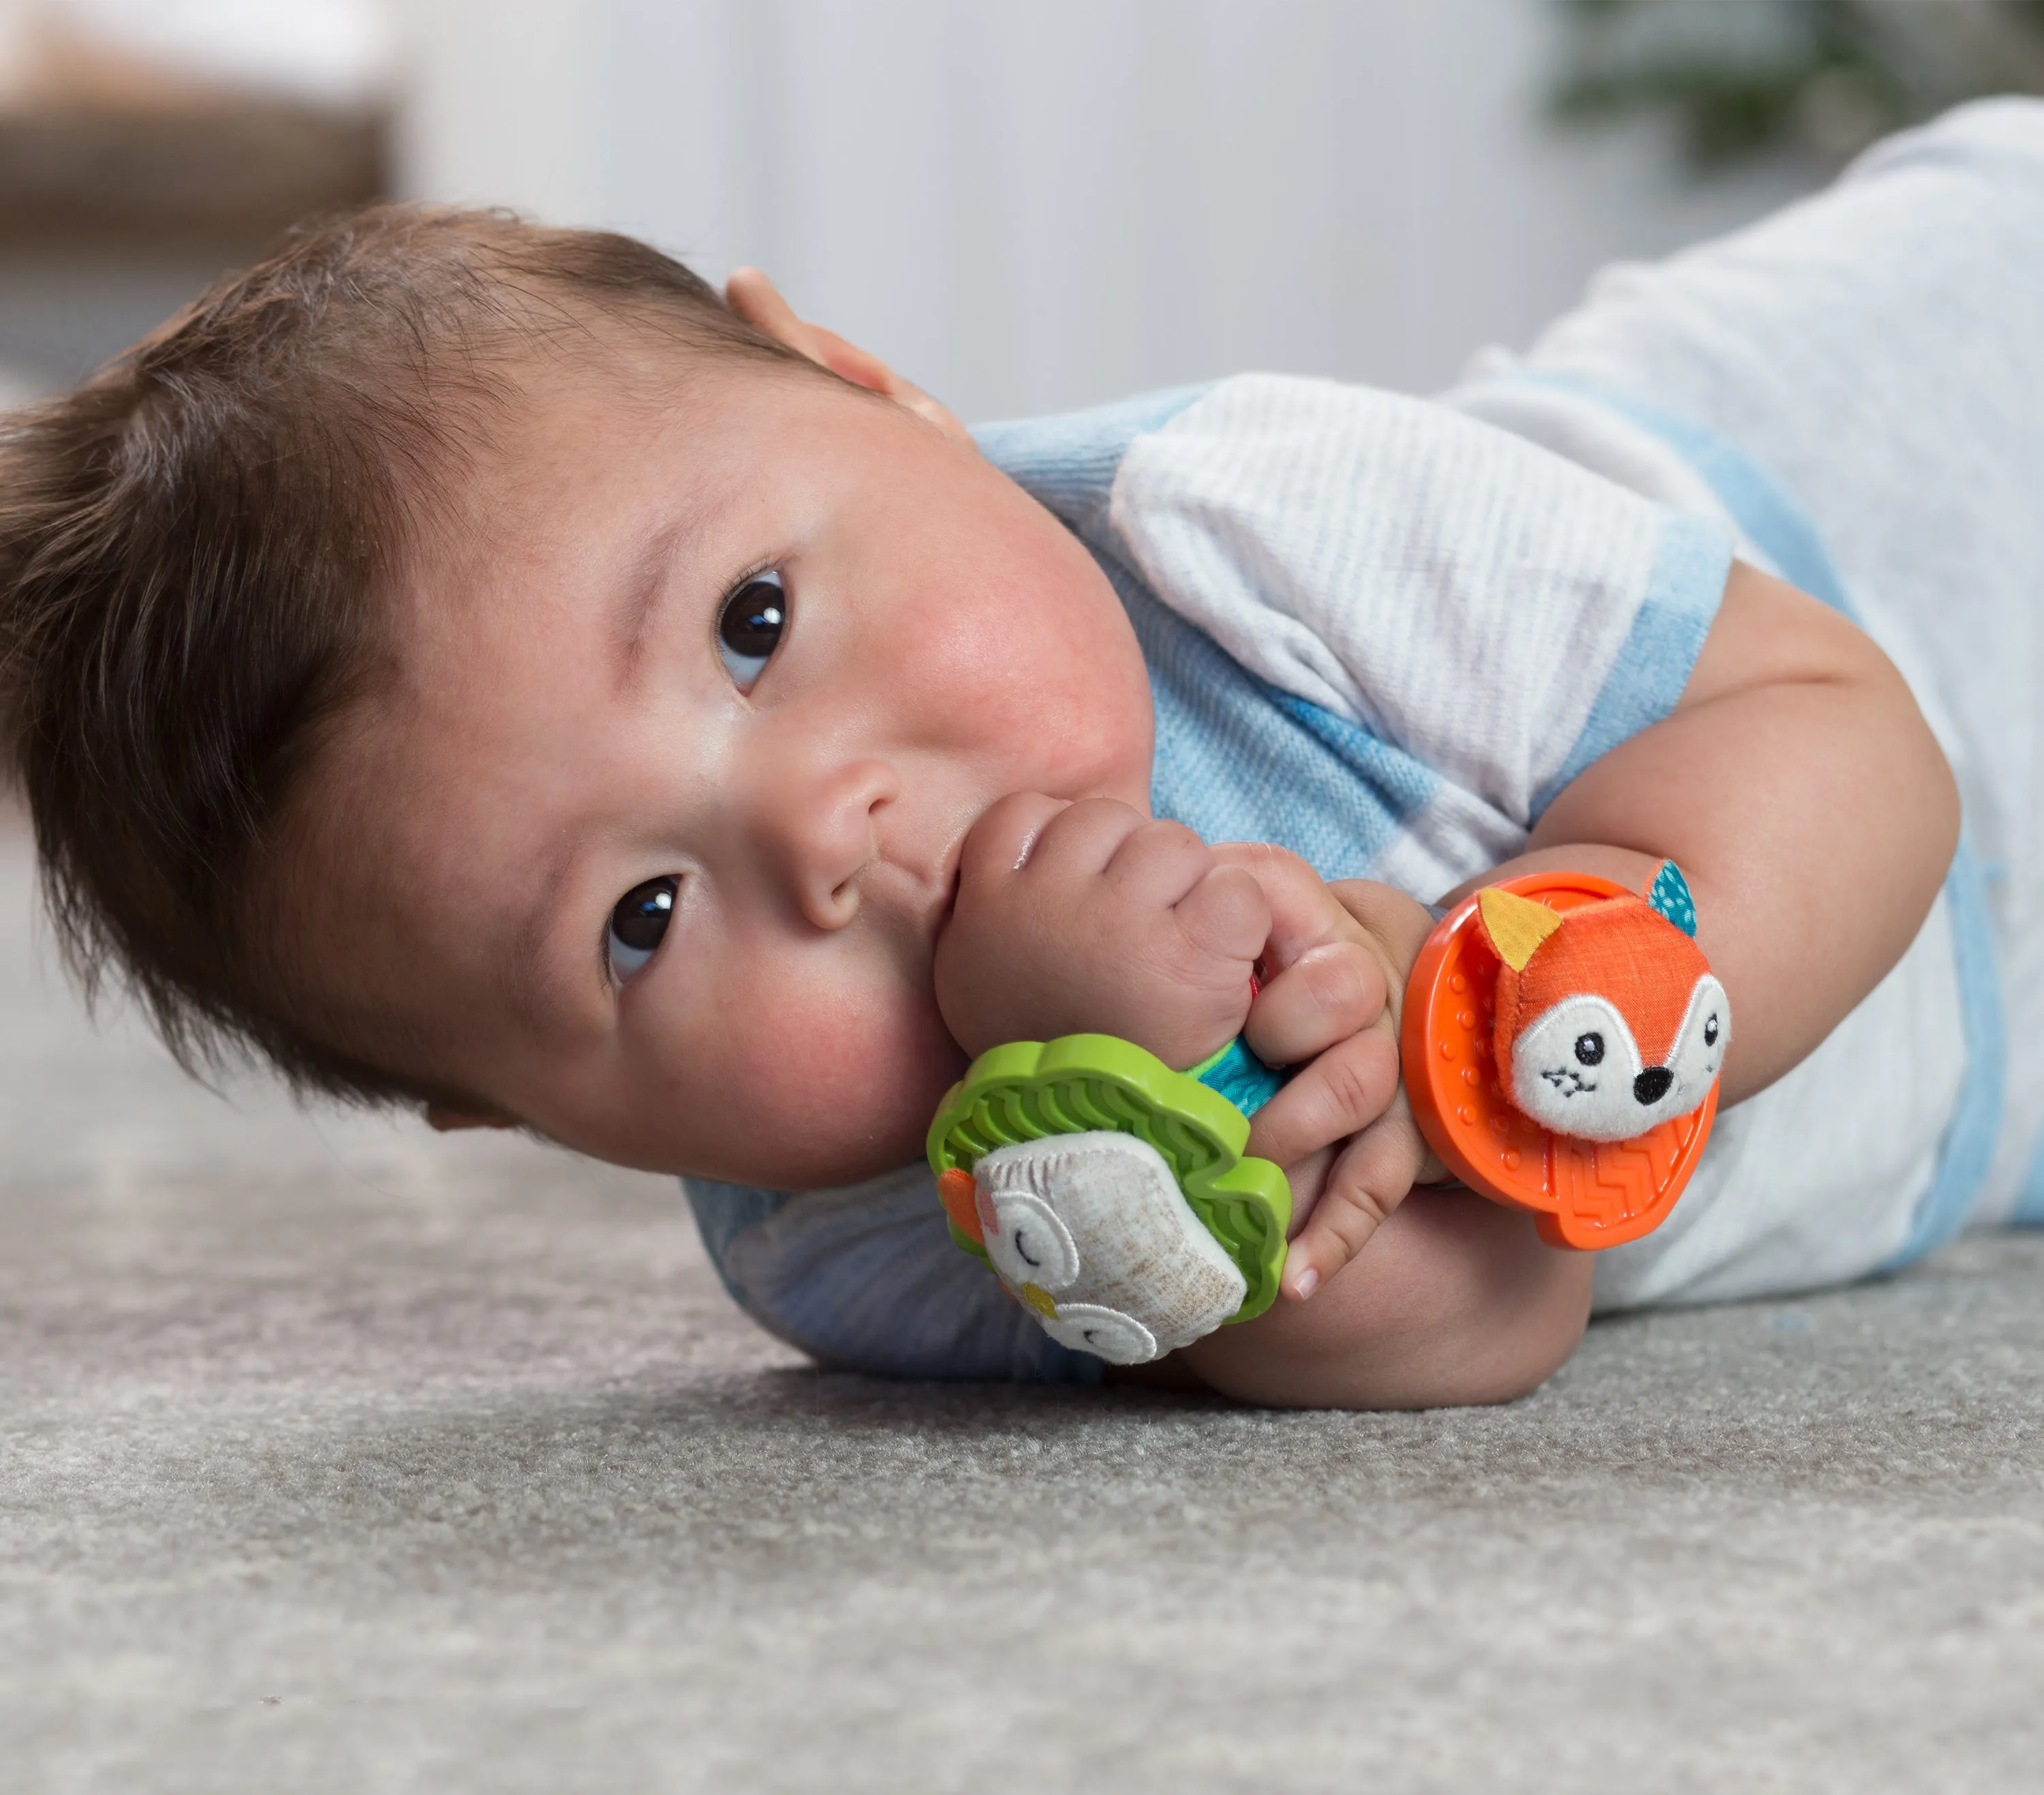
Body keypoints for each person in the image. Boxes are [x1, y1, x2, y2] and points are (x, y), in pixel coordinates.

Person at [5, 101, 2039, 1409]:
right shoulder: (864, 1242)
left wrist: (1490, 982)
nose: (823, 836)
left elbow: (1846, 740)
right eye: (638, 922)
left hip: (1936, 466)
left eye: (756, 626)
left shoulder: (1243, 513)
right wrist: (1165, 1114)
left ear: (867, 387)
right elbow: (1475, 1320)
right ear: (507, 1107)